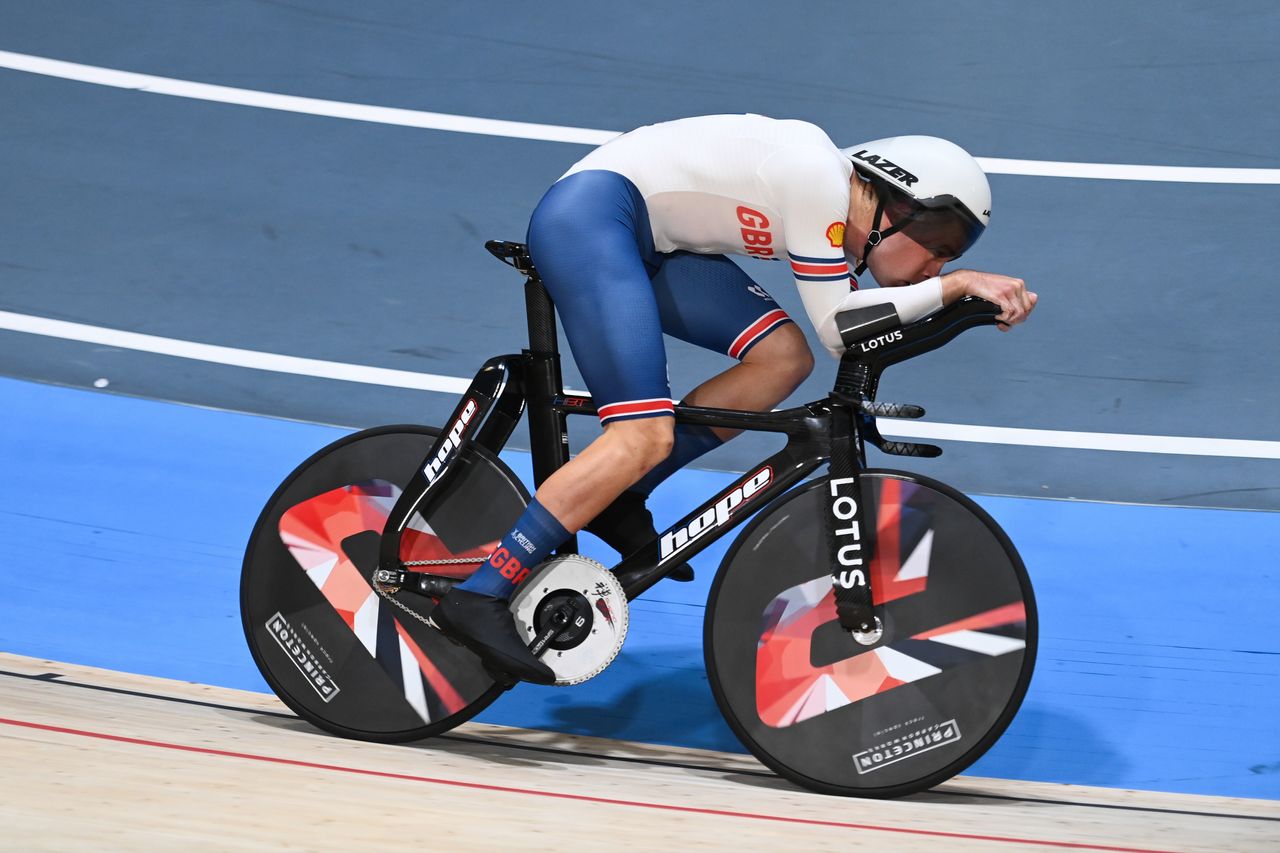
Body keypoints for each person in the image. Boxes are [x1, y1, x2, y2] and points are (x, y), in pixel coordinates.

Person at [432, 114, 1037, 683]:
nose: (937, 264)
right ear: (900, 207)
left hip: (654, 240)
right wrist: (953, 288)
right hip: (591, 219)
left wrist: (955, 305)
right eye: (944, 245)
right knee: (642, 433)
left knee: (783, 359)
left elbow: (852, 331)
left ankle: (621, 497)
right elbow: (840, 330)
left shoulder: (838, 205)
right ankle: (480, 593)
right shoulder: (817, 183)